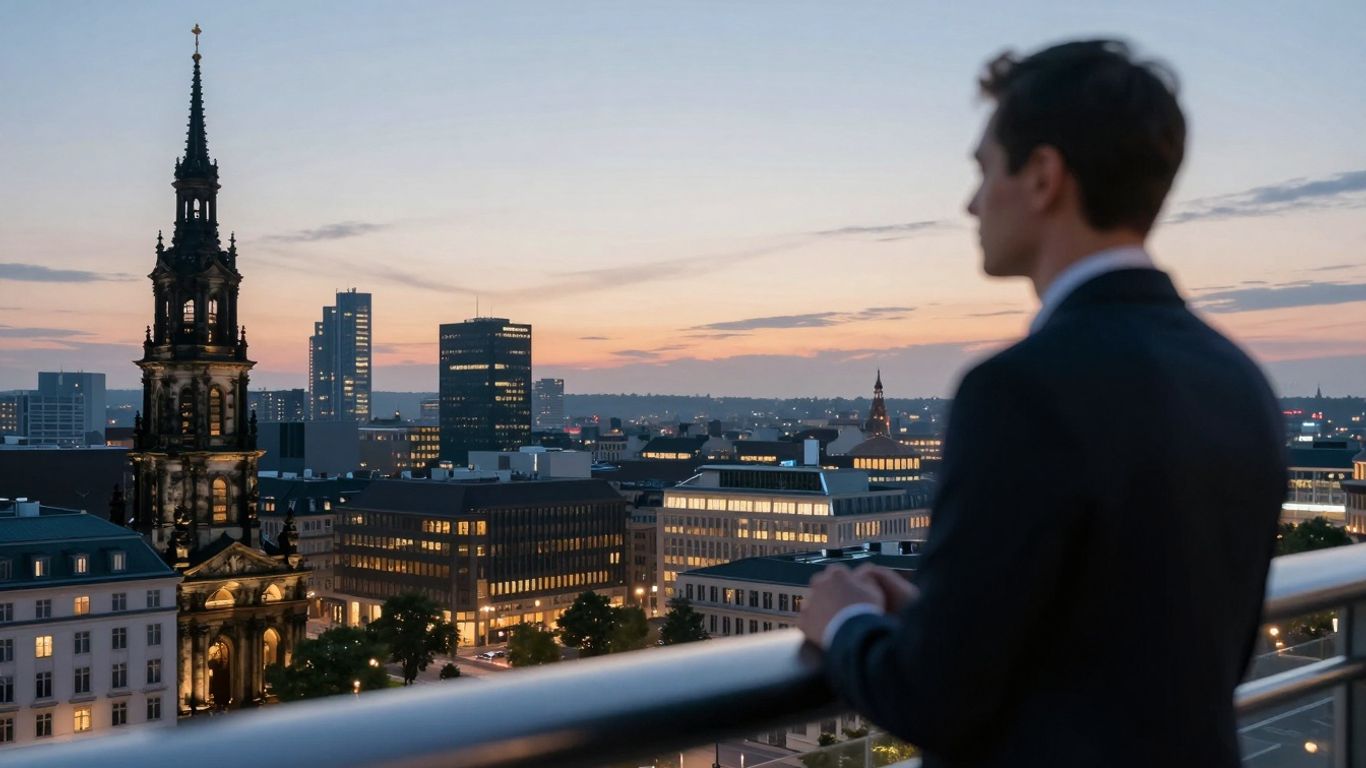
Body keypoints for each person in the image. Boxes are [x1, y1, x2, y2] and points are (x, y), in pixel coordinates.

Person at [798, 40, 1287, 767]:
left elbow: (932, 698)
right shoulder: (1239, 379)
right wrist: (939, 617)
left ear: (1043, 177)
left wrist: (846, 622)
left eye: (983, 168)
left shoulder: (1018, 391)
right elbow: (1157, 640)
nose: (970, 201)